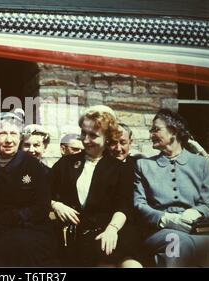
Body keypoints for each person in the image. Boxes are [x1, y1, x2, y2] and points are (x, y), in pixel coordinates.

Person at [0, 110, 59, 266]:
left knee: (22, 247)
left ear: (20, 137)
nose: (9, 140)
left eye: (13, 134)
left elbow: (41, 207)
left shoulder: (34, 166)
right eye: (2, 134)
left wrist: (8, 219)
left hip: (30, 230)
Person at [50, 111, 142, 267]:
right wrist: (55, 205)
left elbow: (124, 205)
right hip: (77, 234)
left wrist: (112, 229)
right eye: (83, 133)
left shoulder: (120, 168)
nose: (86, 140)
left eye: (93, 135)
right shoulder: (65, 164)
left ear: (107, 137)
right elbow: (42, 191)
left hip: (112, 230)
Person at [134, 108, 209, 267]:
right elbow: (139, 204)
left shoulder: (201, 164)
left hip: (196, 229)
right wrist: (166, 219)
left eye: (156, 130)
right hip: (159, 232)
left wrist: (195, 212)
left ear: (173, 131)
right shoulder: (143, 165)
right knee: (176, 242)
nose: (151, 135)